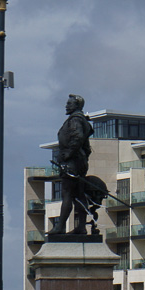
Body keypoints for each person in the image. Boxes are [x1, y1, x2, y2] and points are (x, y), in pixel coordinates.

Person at [49, 94, 95, 235]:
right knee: (78, 194)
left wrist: (68, 154)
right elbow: (86, 146)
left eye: (70, 103)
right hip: (78, 161)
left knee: (67, 193)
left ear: (77, 106)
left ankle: (61, 226)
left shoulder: (75, 120)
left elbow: (78, 138)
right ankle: (81, 226)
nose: (66, 105)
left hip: (73, 162)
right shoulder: (80, 120)